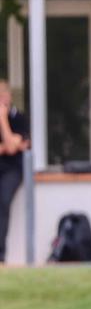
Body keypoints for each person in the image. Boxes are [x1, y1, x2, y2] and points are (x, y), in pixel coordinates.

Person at [0, 80, 29, 264]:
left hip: (13, 169)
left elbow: (11, 147)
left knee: (3, 201)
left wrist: (2, 120)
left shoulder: (20, 119)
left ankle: (0, 254)